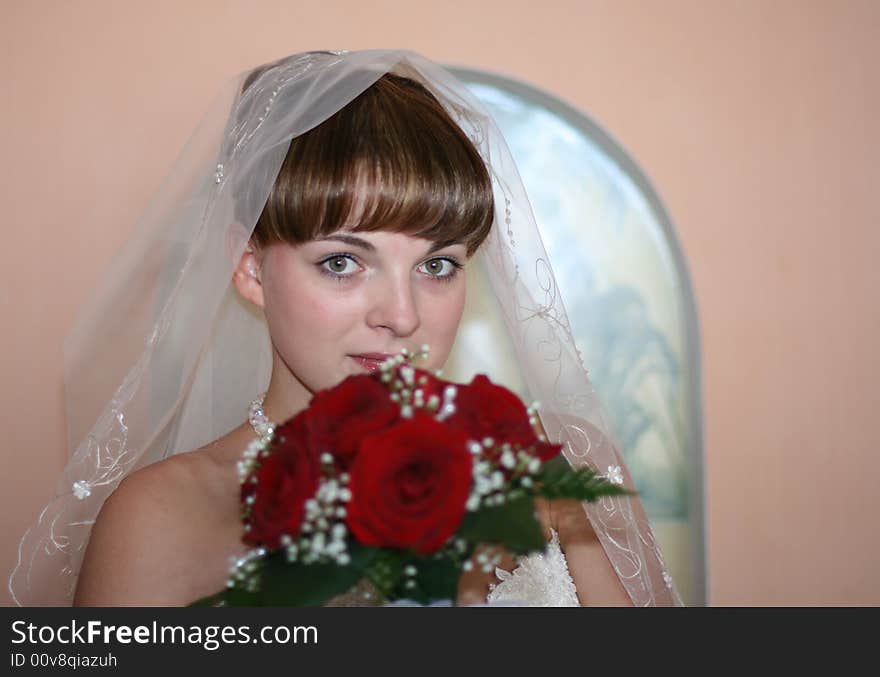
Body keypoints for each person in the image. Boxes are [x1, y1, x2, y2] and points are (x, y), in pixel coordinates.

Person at [9, 49, 681, 607]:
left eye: (438, 264)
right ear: (249, 269)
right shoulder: (161, 521)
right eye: (342, 262)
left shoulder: (560, 469)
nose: (403, 314)